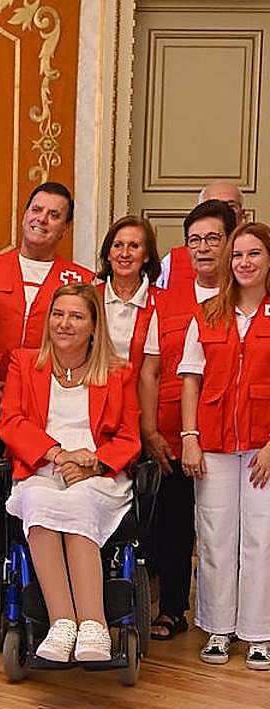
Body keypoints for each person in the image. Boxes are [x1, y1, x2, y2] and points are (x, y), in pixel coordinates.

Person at [0, 182, 93, 630]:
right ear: (25, 213)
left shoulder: (80, 281)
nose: (42, 220)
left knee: (41, 503)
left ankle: (39, 598)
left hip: (45, 416)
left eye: (54, 214)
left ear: (65, 227)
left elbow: (86, 347)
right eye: (37, 210)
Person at [0, 283, 141, 662]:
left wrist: (93, 462)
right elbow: (10, 421)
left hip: (97, 477)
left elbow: (129, 439)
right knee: (38, 499)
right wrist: (58, 454)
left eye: (76, 316)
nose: (64, 324)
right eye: (58, 314)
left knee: (78, 500)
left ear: (94, 326)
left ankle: (93, 623)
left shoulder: (118, 373)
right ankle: (62, 623)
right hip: (41, 468)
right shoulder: (25, 363)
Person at [138, 200, 237, 641]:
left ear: (231, 241)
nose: (203, 248)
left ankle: (236, 617)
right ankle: (173, 609)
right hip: (173, 434)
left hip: (231, 435)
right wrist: (150, 430)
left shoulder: (247, 299)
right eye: (194, 240)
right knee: (174, 525)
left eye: (213, 238)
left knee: (229, 531)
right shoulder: (167, 302)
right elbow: (150, 371)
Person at [179, 221, 270, 670]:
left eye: (254, 254)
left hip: (262, 447)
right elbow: (190, 380)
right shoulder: (208, 314)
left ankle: (259, 632)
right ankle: (218, 628)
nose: (244, 263)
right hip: (213, 443)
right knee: (215, 536)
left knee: (262, 538)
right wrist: (189, 438)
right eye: (237, 255)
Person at [96, 216, 159, 366]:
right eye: (118, 245)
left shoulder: (163, 302)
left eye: (134, 246)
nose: (124, 254)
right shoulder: (90, 298)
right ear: (108, 254)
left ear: (146, 256)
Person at [159, 181, 244, 288]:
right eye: (211, 206)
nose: (223, 212)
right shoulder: (172, 261)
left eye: (231, 207)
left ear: (242, 214)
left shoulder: (255, 260)